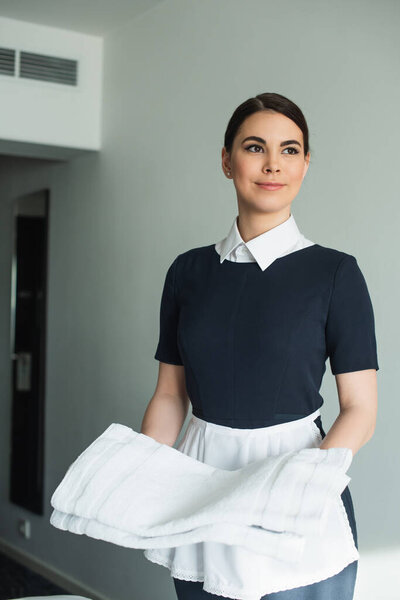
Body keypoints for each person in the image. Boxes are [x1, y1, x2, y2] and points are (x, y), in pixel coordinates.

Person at [140, 92, 379, 600]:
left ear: (306, 164)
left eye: (290, 150)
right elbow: (169, 394)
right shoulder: (188, 272)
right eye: (255, 147)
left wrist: (302, 484)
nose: (273, 164)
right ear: (227, 161)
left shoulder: (335, 273)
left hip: (297, 490)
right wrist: (145, 471)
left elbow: (360, 409)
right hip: (201, 487)